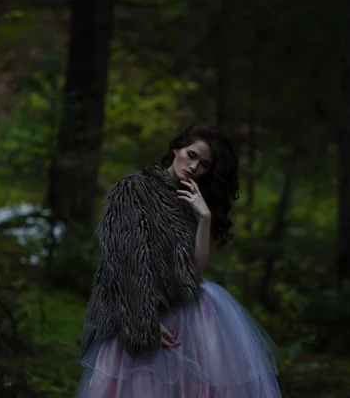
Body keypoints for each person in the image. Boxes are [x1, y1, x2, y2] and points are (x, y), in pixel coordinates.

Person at [76, 124, 281, 397]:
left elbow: (193, 271)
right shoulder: (133, 189)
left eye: (205, 164)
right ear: (176, 150)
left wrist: (204, 218)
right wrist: (144, 320)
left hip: (186, 315)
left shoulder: (192, 201)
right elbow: (123, 261)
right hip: (135, 311)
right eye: (191, 155)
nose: (195, 166)